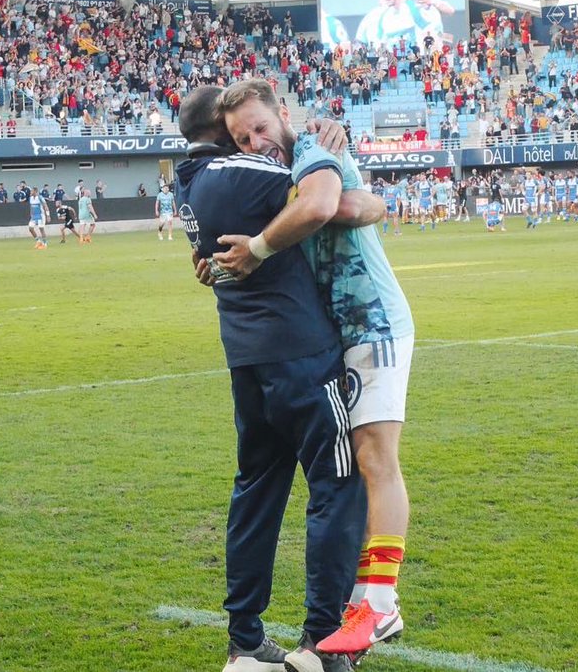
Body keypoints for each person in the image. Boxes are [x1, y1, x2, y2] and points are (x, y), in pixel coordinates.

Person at [213, 78, 416, 660]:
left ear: (283, 112)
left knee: (374, 458)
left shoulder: (313, 150)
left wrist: (260, 245)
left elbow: (347, 205)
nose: (256, 141)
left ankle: (379, 603)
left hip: (374, 322)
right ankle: (355, 608)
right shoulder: (275, 171)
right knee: (351, 465)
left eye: (260, 126)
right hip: (335, 334)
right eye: (241, 137)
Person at [175, 86, 367, 672]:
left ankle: (245, 643)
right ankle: (324, 642)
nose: (257, 140)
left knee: (256, 492)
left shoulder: (185, 184)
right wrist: (325, 143)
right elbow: (330, 203)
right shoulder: (247, 172)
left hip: (246, 359)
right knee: (338, 485)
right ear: (223, 129)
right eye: (243, 131)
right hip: (301, 354)